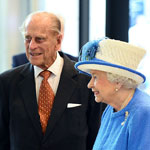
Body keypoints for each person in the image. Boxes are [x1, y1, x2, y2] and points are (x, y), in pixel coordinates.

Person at [0, 11, 105, 150]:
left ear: (58, 41)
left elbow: (97, 138)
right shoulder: (7, 82)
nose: (31, 46)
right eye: (27, 38)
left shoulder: (86, 80)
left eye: (39, 39)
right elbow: (3, 139)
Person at [75, 38, 150, 150]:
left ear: (118, 81)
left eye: (95, 77)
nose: (89, 84)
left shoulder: (144, 112)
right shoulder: (111, 108)